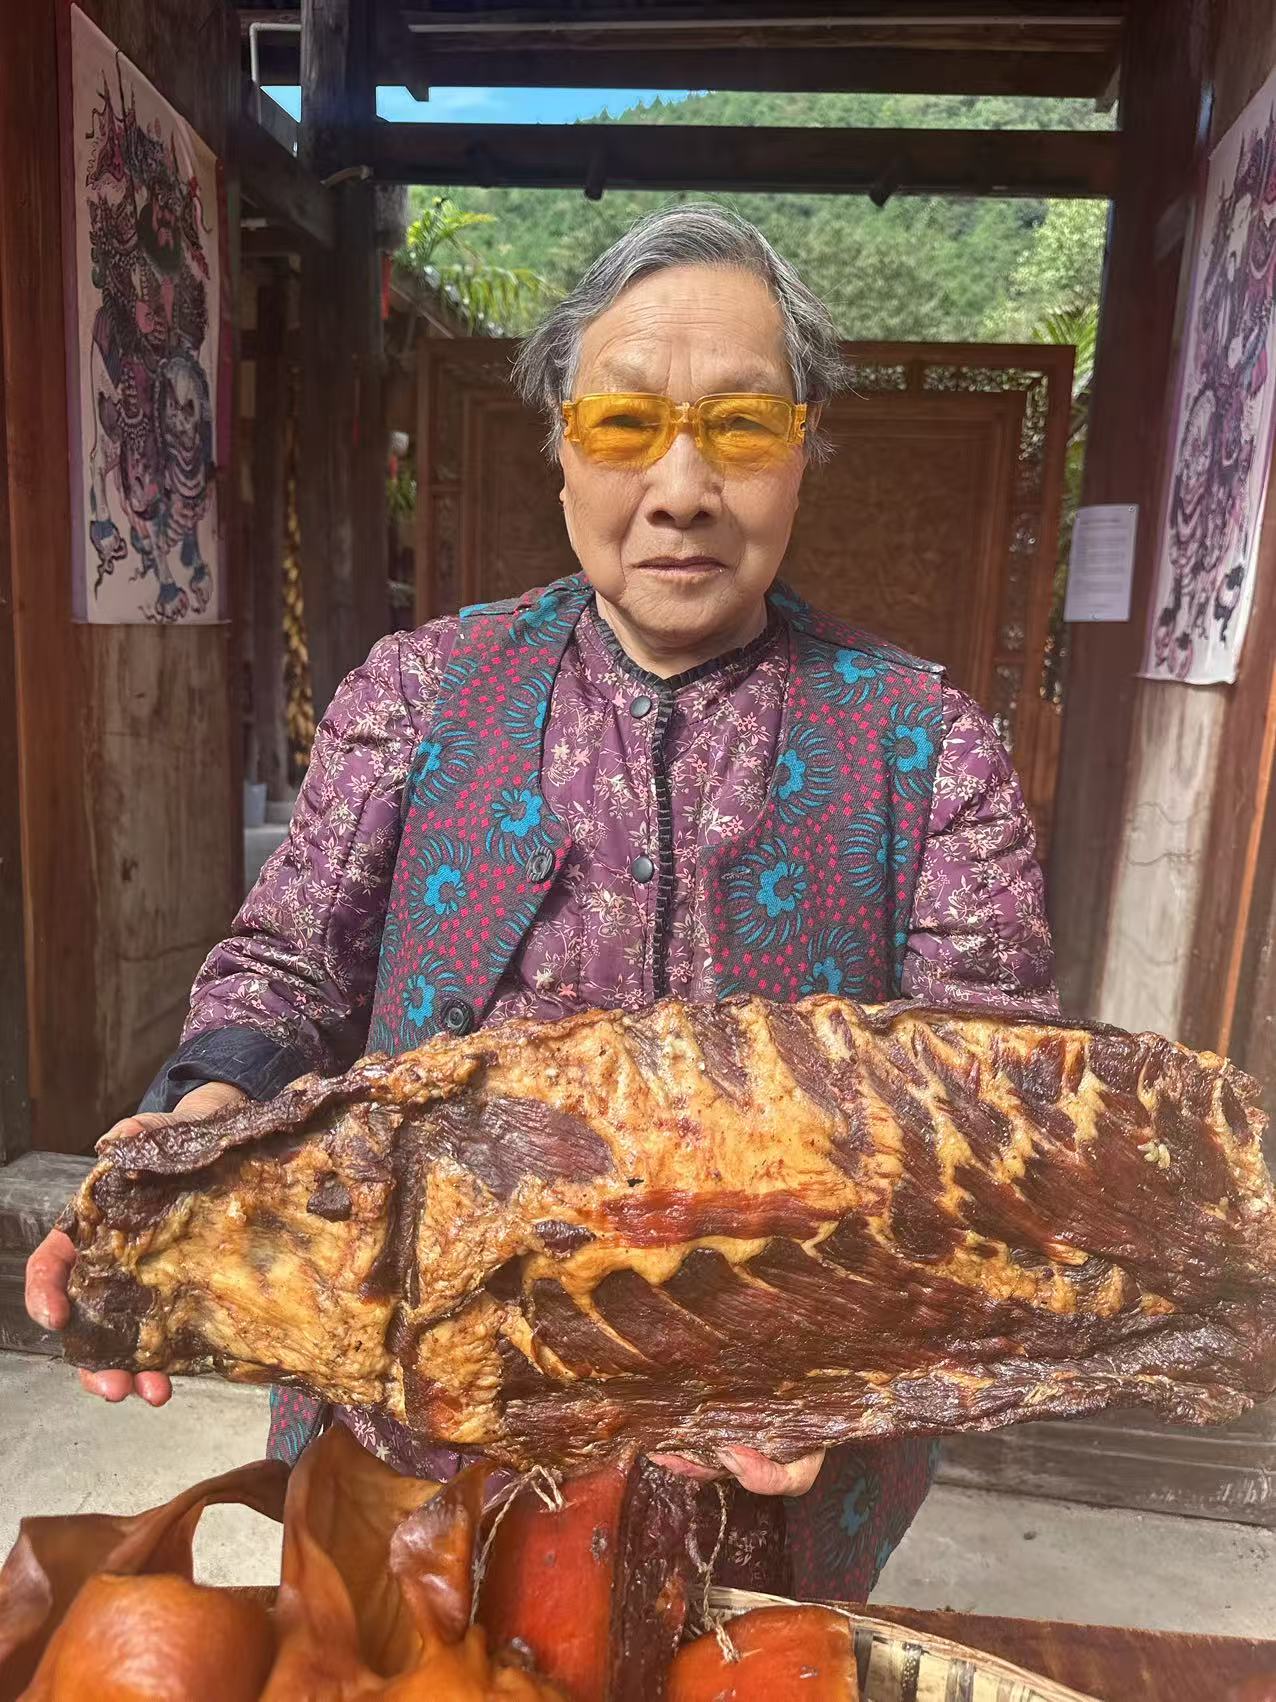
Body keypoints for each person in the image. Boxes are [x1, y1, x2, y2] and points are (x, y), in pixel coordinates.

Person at [27, 203, 1056, 1601]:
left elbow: (985, 1110)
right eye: (626, 425)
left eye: (741, 427)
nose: (682, 486)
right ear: (561, 447)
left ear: (806, 448)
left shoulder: (923, 743)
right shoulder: (419, 692)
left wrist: (856, 1352)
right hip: (414, 1426)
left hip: (755, 1447)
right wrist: (201, 1138)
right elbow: (285, 972)